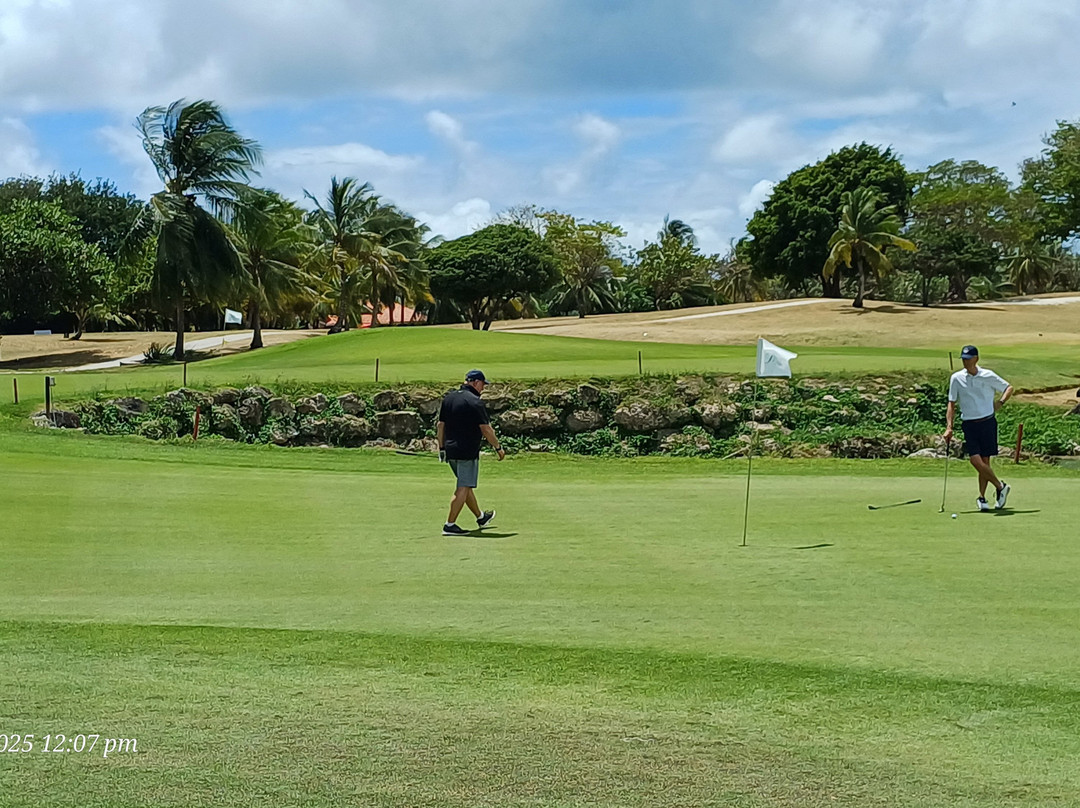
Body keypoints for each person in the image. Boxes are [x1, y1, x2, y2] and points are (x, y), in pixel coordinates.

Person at [943, 345, 1014, 511]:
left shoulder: (987, 375)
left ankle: (982, 498)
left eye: (968, 359)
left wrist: (1000, 402)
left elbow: (1008, 388)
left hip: (987, 422)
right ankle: (1000, 486)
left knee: (985, 461)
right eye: (963, 359)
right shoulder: (956, 378)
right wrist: (949, 427)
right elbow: (951, 403)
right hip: (969, 424)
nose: (965, 362)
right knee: (975, 460)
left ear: (976, 359)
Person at [437, 369, 505, 535]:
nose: (483, 388)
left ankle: (481, 517)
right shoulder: (475, 402)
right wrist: (498, 447)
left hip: (451, 450)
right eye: (482, 385)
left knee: (465, 485)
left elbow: (440, 425)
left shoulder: (449, 398)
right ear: (476, 383)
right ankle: (450, 525)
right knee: (463, 486)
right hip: (467, 451)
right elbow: (486, 429)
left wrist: (441, 447)